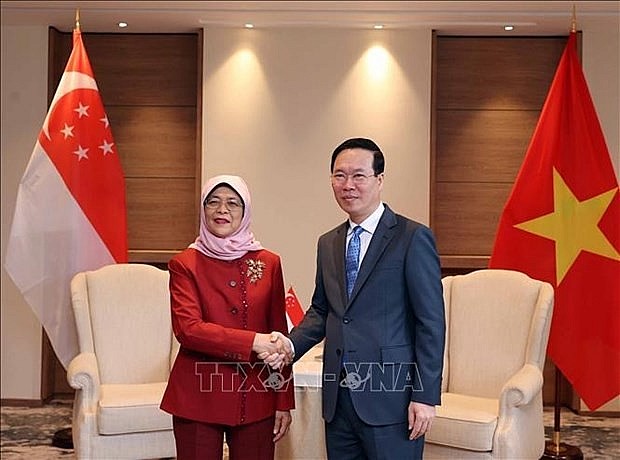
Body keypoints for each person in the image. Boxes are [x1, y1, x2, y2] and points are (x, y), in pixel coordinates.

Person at [265, 138, 445, 459]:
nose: (348, 185)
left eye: (359, 176)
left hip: (392, 398)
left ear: (379, 180)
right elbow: (323, 311)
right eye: (339, 175)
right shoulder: (328, 243)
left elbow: (430, 322)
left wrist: (425, 396)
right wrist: (290, 346)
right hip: (339, 399)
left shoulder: (412, 237)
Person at [161, 175, 294, 460]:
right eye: (213, 202)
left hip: (257, 393)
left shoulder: (269, 262)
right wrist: (254, 342)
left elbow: (279, 335)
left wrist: (283, 400)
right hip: (197, 395)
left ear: (245, 212)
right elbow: (188, 329)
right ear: (203, 209)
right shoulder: (184, 263)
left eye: (233, 203)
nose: (223, 210)